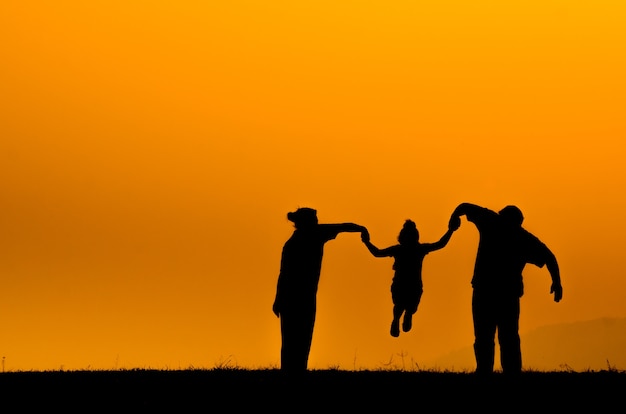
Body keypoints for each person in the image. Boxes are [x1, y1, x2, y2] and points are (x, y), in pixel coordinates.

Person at [449, 203, 563, 375]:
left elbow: (464, 206)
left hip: (487, 291)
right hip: (503, 293)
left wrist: (454, 218)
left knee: (487, 337)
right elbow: (549, 257)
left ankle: (487, 371)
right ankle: (508, 373)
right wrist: (557, 282)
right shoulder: (520, 236)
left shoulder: (492, 221)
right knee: (506, 336)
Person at [272, 207, 367, 374]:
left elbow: (343, 226)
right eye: (314, 219)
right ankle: (293, 370)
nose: (317, 221)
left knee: (294, 336)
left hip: (295, 296)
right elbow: (285, 273)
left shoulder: (301, 239)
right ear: (305, 222)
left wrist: (361, 228)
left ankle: (294, 370)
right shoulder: (312, 235)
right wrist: (361, 229)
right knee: (299, 335)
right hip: (299, 295)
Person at [361, 219, 458, 337]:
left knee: (399, 305)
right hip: (414, 285)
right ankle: (405, 315)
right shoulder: (419, 249)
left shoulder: (399, 249)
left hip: (400, 284)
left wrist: (366, 242)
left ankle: (399, 317)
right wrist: (451, 231)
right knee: (409, 305)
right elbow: (440, 244)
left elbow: (377, 253)